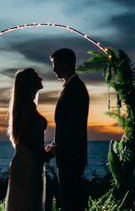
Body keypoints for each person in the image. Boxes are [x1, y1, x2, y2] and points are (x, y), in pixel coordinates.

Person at [47, 48, 89, 211]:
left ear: (66, 64)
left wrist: (59, 148)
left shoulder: (76, 89)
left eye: (56, 64)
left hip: (71, 155)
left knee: (72, 200)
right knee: (69, 199)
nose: (54, 69)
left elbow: (71, 126)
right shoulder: (71, 87)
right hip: (69, 155)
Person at [5, 68, 51, 211]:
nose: (41, 79)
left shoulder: (27, 106)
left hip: (30, 161)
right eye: (37, 77)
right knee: (28, 203)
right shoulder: (28, 107)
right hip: (28, 163)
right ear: (30, 83)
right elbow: (24, 136)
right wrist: (42, 153)